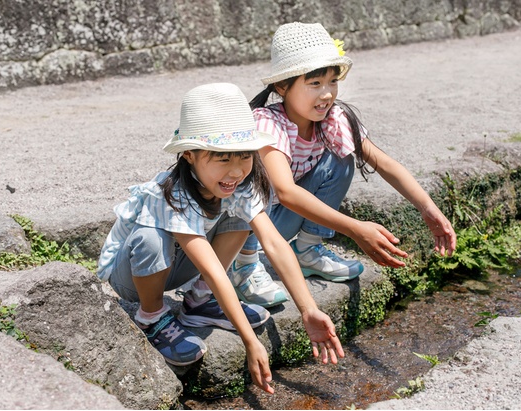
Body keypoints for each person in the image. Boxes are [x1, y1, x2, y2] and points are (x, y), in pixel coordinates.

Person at [97, 82, 344, 394]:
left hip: (180, 266)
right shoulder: (172, 194)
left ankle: (199, 301)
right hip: (133, 278)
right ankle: (152, 316)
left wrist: (308, 308)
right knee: (149, 237)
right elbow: (213, 269)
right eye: (222, 158)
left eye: (243, 156)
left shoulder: (243, 184)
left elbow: (274, 242)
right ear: (188, 154)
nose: (236, 170)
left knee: (241, 216)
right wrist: (249, 340)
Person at [229, 22, 457, 307]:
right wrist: (354, 228)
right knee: (248, 188)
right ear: (282, 87)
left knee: (341, 158)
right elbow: (285, 192)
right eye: (314, 83)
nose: (326, 93)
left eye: (332, 82)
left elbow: (383, 163)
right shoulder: (267, 123)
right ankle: (244, 266)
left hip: (279, 223)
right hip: (244, 229)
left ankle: (308, 250)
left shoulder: (333, 120)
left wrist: (428, 208)